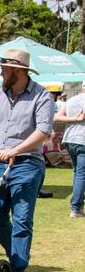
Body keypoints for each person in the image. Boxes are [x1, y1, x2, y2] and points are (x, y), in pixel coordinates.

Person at [0, 48, 54, 272]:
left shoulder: (42, 96)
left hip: (28, 164)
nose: (0, 72)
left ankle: (17, 269)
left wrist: (15, 151)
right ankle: (15, 254)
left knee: (22, 218)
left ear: (18, 70)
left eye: (4, 69)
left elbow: (44, 131)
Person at [53, 81, 85, 218]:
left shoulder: (71, 100)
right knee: (81, 174)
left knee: (78, 172)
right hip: (82, 139)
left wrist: (74, 119)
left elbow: (56, 117)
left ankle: (76, 205)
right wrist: (78, 119)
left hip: (70, 139)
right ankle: (76, 208)